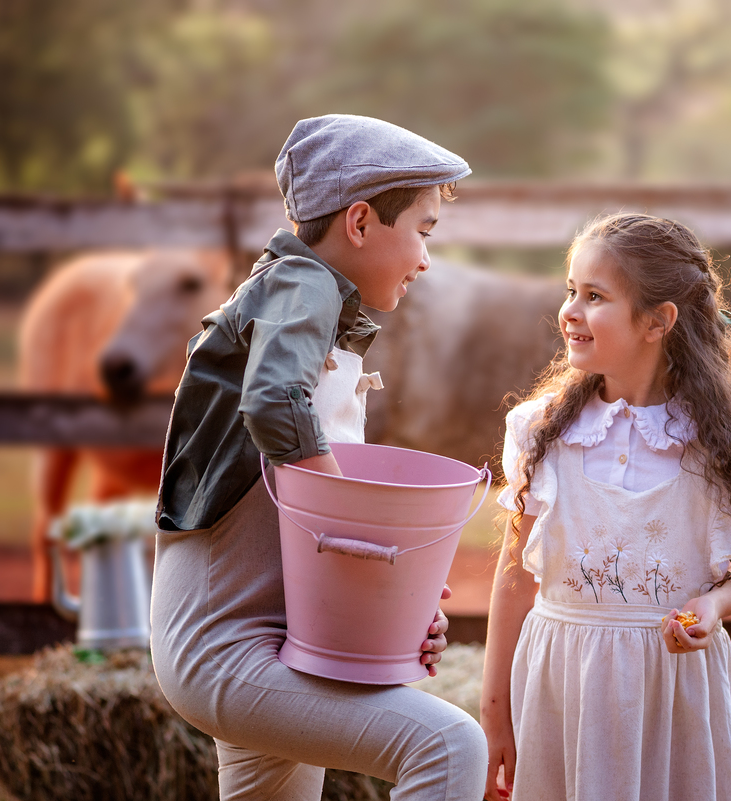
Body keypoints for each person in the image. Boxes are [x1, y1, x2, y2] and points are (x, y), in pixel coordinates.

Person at [150, 114, 488, 800]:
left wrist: (395, 602)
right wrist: (363, 543)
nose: (426, 259)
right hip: (228, 647)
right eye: (422, 231)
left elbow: (299, 521)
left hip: (275, 639)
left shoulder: (312, 314)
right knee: (449, 744)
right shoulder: (300, 287)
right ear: (360, 223)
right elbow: (274, 402)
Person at [480, 213, 731, 801]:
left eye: (595, 296)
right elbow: (511, 580)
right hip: (560, 688)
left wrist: (717, 602)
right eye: (570, 291)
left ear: (658, 321)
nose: (570, 311)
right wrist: (494, 712)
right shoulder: (541, 429)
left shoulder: (727, 432)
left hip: (675, 695)